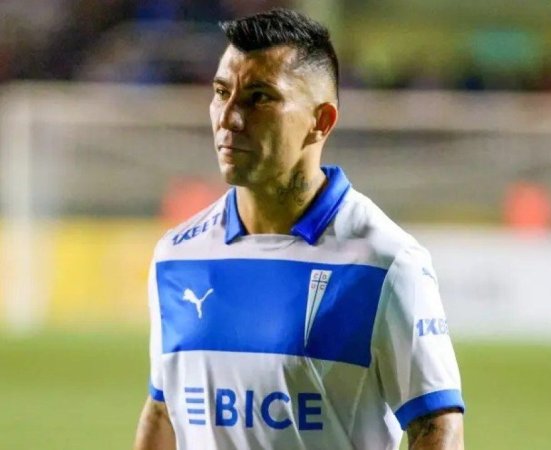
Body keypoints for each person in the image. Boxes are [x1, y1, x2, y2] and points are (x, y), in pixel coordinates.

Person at [133, 8, 464, 450]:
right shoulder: (176, 256)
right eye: (221, 92)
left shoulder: (385, 263)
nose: (228, 118)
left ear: (321, 121)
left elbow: (435, 427)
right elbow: (163, 411)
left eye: (259, 98)